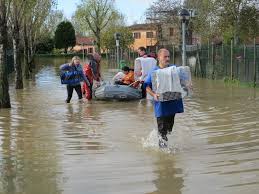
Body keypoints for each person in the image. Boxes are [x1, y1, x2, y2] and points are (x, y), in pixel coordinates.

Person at [144, 49, 184, 148]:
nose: (167, 59)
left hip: (173, 104)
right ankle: (163, 155)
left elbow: (183, 80)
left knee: (169, 130)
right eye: (165, 57)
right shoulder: (154, 71)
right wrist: (153, 95)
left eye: (168, 56)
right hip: (161, 106)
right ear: (159, 58)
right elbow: (146, 86)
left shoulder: (174, 69)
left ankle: (165, 148)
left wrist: (188, 84)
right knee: (162, 131)